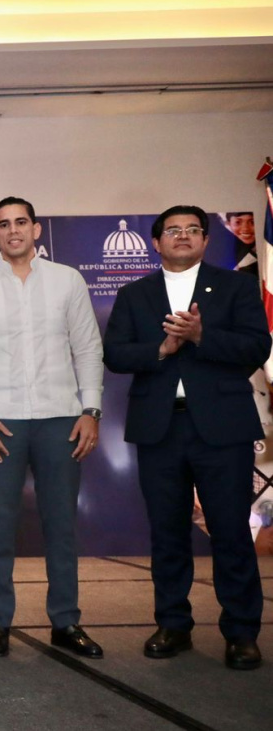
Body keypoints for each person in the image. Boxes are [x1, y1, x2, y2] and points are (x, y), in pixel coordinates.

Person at [104, 205, 267, 671]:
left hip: (223, 429)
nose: (183, 236)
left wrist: (201, 336)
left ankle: (241, 632)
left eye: (193, 230)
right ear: (156, 242)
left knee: (232, 531)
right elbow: (115, 354)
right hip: (161, 428)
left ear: (204, 240)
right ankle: (173, 623)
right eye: (173, 230)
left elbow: (257, 347)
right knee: (168, 531)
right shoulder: (135, 294)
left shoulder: (235, 286)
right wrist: (161, 348)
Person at [0, 197, 105, 659]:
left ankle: (65, 622)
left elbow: (87, 349)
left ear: (36, 229)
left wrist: (90, 410)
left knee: (61, 525)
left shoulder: (68, 281)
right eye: (4, 224)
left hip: (61, 418)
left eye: (21, 222)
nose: (13, 230)